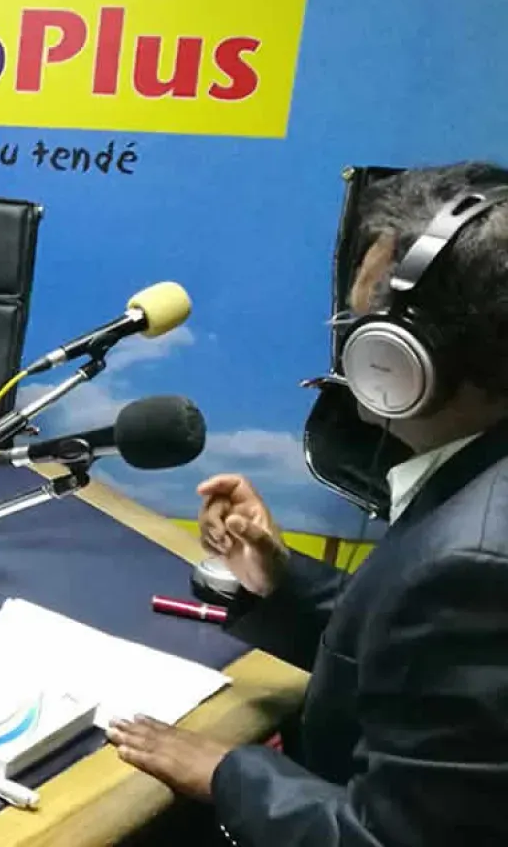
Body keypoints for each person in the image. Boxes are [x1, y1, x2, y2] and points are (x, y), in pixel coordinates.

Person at [106, 162, 508, 845]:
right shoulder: (477, 483)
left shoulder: (473, 561)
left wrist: (225, 771)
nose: (347, 345)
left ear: (404, 356)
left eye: (358, 322)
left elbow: (388, 839)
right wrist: (282, 581)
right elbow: (407, 653)